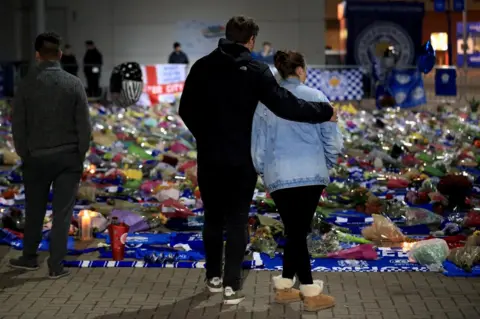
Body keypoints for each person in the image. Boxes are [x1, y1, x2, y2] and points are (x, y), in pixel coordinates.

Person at [178, 15, 336, 305]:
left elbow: (185, 109)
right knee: (238, 219)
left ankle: (213, 276)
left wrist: (205, 136)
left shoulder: (201, 67)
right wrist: (323, 112)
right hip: (241, 160)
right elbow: (284, 104)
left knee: (212, 217)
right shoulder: (256, 70)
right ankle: (231, 286)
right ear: (250, 41)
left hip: (210, 157)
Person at [251, 50, 342, 312]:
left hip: (279, 175)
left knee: (295, 231)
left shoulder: (265, 104)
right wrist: (328, 163)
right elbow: (332, 140)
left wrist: (263, 171)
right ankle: (310, 293)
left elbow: (257, 144)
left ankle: (284, 287)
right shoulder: (317, 97)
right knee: (298, 232)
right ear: (301, 70)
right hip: (311, 175)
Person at [10, 32, 92, 279]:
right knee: (62, 213)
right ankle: (56, 265)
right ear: (59, 54)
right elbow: (84, 126)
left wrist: (26, 153)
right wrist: (79, 155)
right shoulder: (74, 83)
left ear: (37, 55)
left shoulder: (26, 84)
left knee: (34, 210)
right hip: (68, 159)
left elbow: (18, 126)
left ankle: (29, 257)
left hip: (36, 158)